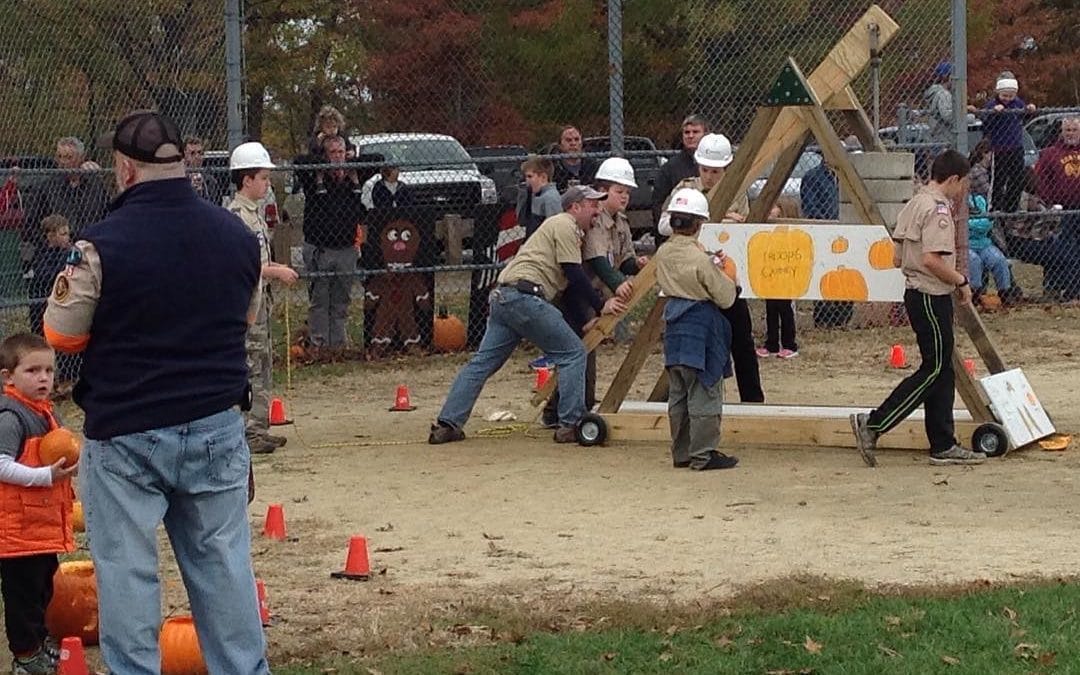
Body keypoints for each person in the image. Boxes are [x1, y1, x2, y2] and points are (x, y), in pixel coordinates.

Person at [42, 110, 269, 673]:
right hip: (216, 422)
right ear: (181, 162)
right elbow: (244, 320)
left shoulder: (98, 246)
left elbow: (61, 335)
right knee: (225, 569)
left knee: (126, 577)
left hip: (126, 431)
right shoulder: (237, 236)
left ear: (124, 168)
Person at [428, 186, 626, 445]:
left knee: (483, 363)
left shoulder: (559, 230)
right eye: (592, 205)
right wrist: (601, 306)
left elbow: (566, 288)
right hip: (526, 298)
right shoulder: (565, 225)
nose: (597, 211)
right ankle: (571, 423)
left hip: (504, 297)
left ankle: (448, 423)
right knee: (573, 353)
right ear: (575, 207)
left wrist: (583, 320)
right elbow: (575, 274)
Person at [850, 150, 985, 468]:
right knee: (935, 368)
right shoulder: (938, 209)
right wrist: (961, 280)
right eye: (963, 184)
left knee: (944, 369)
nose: (963, 191)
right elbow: (931, 259)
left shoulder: (915, 202)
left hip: (916, 292)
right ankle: (874, 424)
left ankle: (943, 443)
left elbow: (898, 256)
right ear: (954, 179)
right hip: (930, 294)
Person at [657, 133, 764, 403]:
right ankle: (683, 399)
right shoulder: (685, 189)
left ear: (726, 169)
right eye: (705, 170)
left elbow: (743, 226)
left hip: (723, 273)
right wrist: (712, 217)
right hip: (693, 275)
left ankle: (753, 399)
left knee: (742, 340)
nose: (710, 176)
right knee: (690, 341)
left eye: (716, 171)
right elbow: (663, 224)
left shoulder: (737, 189)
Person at [0, 333, 77, 675]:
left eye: (48, 370)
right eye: (32, 371)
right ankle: (26, 655)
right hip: (16, 530)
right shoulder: (11, 417)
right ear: (8, 377)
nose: (44, 378)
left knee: (44, 586)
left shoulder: (47, 413)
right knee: (23, 596)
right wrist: (45, 476)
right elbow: (1, 465)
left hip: (40, 528)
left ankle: (39, 641)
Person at [655, 189, 739, 471]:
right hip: (701, 326)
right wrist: (727, 273)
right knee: (704, 390)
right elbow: (725, 297)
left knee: (678, 392)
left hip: (674, 326)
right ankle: (703, 454)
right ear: (699, 224)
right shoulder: (702, 260)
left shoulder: (663, 253)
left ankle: (682, 452)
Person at [227, 142, 299, 455]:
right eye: (264, 178)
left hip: (260, 301)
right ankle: (245, 428)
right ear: (247, 180)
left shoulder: (254, 213)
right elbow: (243, 264)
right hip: (245, 305)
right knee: (250, 364)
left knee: (263, 362)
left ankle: (258, 425)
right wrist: (275, 271)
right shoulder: (235, 216)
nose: (268, 184)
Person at [301, 135, 366, 349]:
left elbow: (380, 158)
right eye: (332, 153)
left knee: (341, 299)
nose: (337, 158)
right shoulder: (314, 180)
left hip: (346, 248)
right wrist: (319, 162)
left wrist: (351, 162)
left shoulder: (353, 178)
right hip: (322, 248)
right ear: (324, 156)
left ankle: (338, 344)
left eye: (341, 152)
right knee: (320, 299)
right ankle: (319, 344)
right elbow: (299, 162)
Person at [971, 73, 1037, 214]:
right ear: (998, 93)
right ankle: (995, 207)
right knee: (999, 179)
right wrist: (994, 113)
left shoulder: (1018, 103)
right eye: (1004, 96)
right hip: (999, 149)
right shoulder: (992, 105)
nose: (1007, 99)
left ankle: (1011, 207)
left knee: (1017, 178)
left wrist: (1029, 110)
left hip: (1016, 148)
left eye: (1010, 96)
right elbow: (986, 126)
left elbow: (1023, 117)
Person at [1034, 116, 1080, 300]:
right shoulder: (1050, 154)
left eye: (1074, 130)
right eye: (1067, 130)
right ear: (1061, 132)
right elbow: (1040, 180)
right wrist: (1050, 202)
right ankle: (1069, 289)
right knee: (1067, 250)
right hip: (1063, 210)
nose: (1070, 134)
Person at [757, 196, 800, 358]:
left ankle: (790, 344)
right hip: (771, 275)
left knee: (785, 309)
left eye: (774, 207)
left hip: (786, 275)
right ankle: (771, 344)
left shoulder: (792, 234)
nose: (770, 210)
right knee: (771, 309)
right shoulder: (767, 232)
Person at [652, 114, 709, 230]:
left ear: (705, 134)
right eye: (687, 132)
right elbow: (658, 204)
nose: (690, 136)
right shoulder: (670, 168)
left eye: (695, 132)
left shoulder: (716, 165)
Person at [516, 157, 561, 241]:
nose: (526, 181)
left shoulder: (550, 198)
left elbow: (555, 230)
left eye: (530, 176)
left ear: (543, 177)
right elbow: (522, 221)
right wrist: (524, 194)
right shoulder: (535, 195)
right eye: (526, 177)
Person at [550, 126, 599, 191]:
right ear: (560, 145)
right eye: (568, 140)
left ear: (581, 143)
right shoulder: (553, 168)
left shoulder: (592, 165)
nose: (573, 143)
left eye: (576, 139)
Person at [183, 135, 225, 205]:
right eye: (192, 153)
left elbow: (217, 204)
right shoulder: (180, 180)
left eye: (200, 153)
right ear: (184, 156)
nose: (197, 157)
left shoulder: (210, 181)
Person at [924, 62, 954, 149]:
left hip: (934, 136)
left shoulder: (933, 91)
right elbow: (947, 115)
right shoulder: (943, 94)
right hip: (944, 139)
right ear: (947, 77)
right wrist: (966, 112)